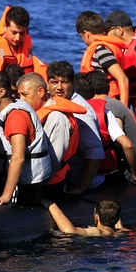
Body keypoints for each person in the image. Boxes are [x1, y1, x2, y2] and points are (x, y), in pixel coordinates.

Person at [0, 72, 51, 205]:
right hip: (10, 182)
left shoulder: (16, 116)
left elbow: (18, 157)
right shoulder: (2, 113)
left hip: (25, 189)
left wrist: (6, 195)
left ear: (1, 92)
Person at [16, 72, 87, 197]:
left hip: (51, 184)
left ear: (41, 92)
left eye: (25, 95)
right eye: (19, 95)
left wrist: (37, 187)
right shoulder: (38, 112)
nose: (21, 100)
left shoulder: (57, 118)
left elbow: (55, 159)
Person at [74, 71, 136, 184]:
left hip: (135, 166)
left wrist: (135, 175)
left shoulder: (107, 107)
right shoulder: (113, 102)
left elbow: (124, 144)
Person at [45, 61, 106, 195]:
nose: (59, 87)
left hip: (71, 177)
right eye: (54, 82)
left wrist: (81, 187)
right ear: (47, 84)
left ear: (72, 83)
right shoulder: (53, 102)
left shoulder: (81, 113)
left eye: (64, 82)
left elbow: (95, 152)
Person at [76, 11, 128, 106]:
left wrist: (123, 109)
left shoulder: (101, 50)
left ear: (86, 33)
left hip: (108, 102)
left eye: (81, 36)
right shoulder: (101, 48)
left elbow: (123, 79)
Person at [43, 196, 125, 236]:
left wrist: (51, 205)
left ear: (97, 217)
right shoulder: (120, 232)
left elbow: (71, 231)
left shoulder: (98, 232)